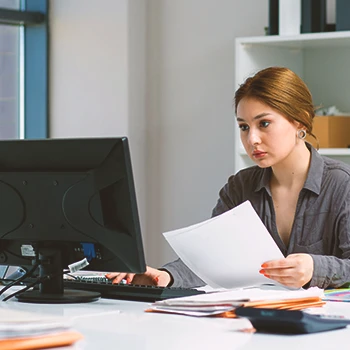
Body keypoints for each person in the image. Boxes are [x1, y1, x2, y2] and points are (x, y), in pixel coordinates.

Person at [106, 66, 350, 290]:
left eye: (264, 123)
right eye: (244, 126)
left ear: (300, 121)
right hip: (257, 322)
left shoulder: (342, 184)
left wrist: (315, 269)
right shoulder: (240, 187)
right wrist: (165, 276)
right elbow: (212, 259)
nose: (252, 139)